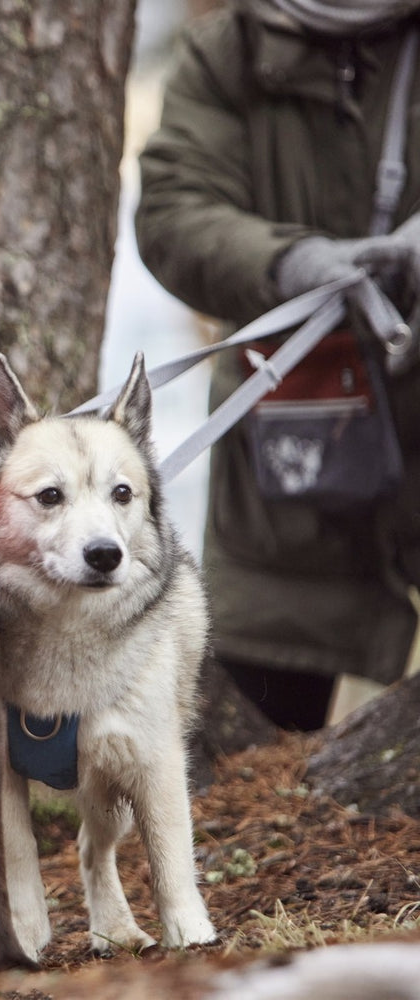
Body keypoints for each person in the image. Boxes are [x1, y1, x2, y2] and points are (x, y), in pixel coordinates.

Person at [135, 0, 420, 730]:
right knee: (260, 754)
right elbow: (175, 209)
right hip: (285, 466)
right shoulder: (226, 50)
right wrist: (291, 263)